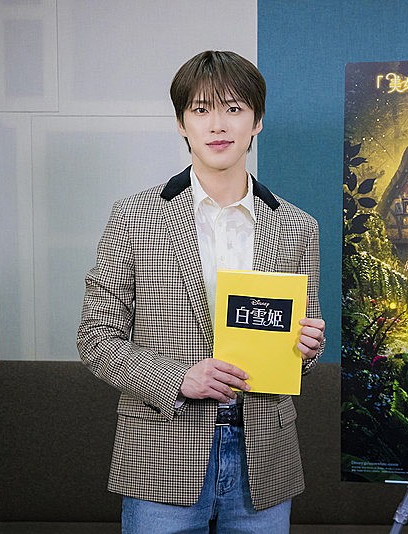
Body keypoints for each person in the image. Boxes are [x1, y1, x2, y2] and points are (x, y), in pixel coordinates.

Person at [77, 50, 325, 534]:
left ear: (256, 122)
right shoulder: (134, 216)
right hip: (160, 449)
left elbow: (303, 349)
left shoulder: (297, 226)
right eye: (201, 109)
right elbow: (95, 338)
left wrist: (308, 347)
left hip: (264, 456)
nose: (218, 124)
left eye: (234, 109)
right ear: (181, 123)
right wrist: (177, 379)